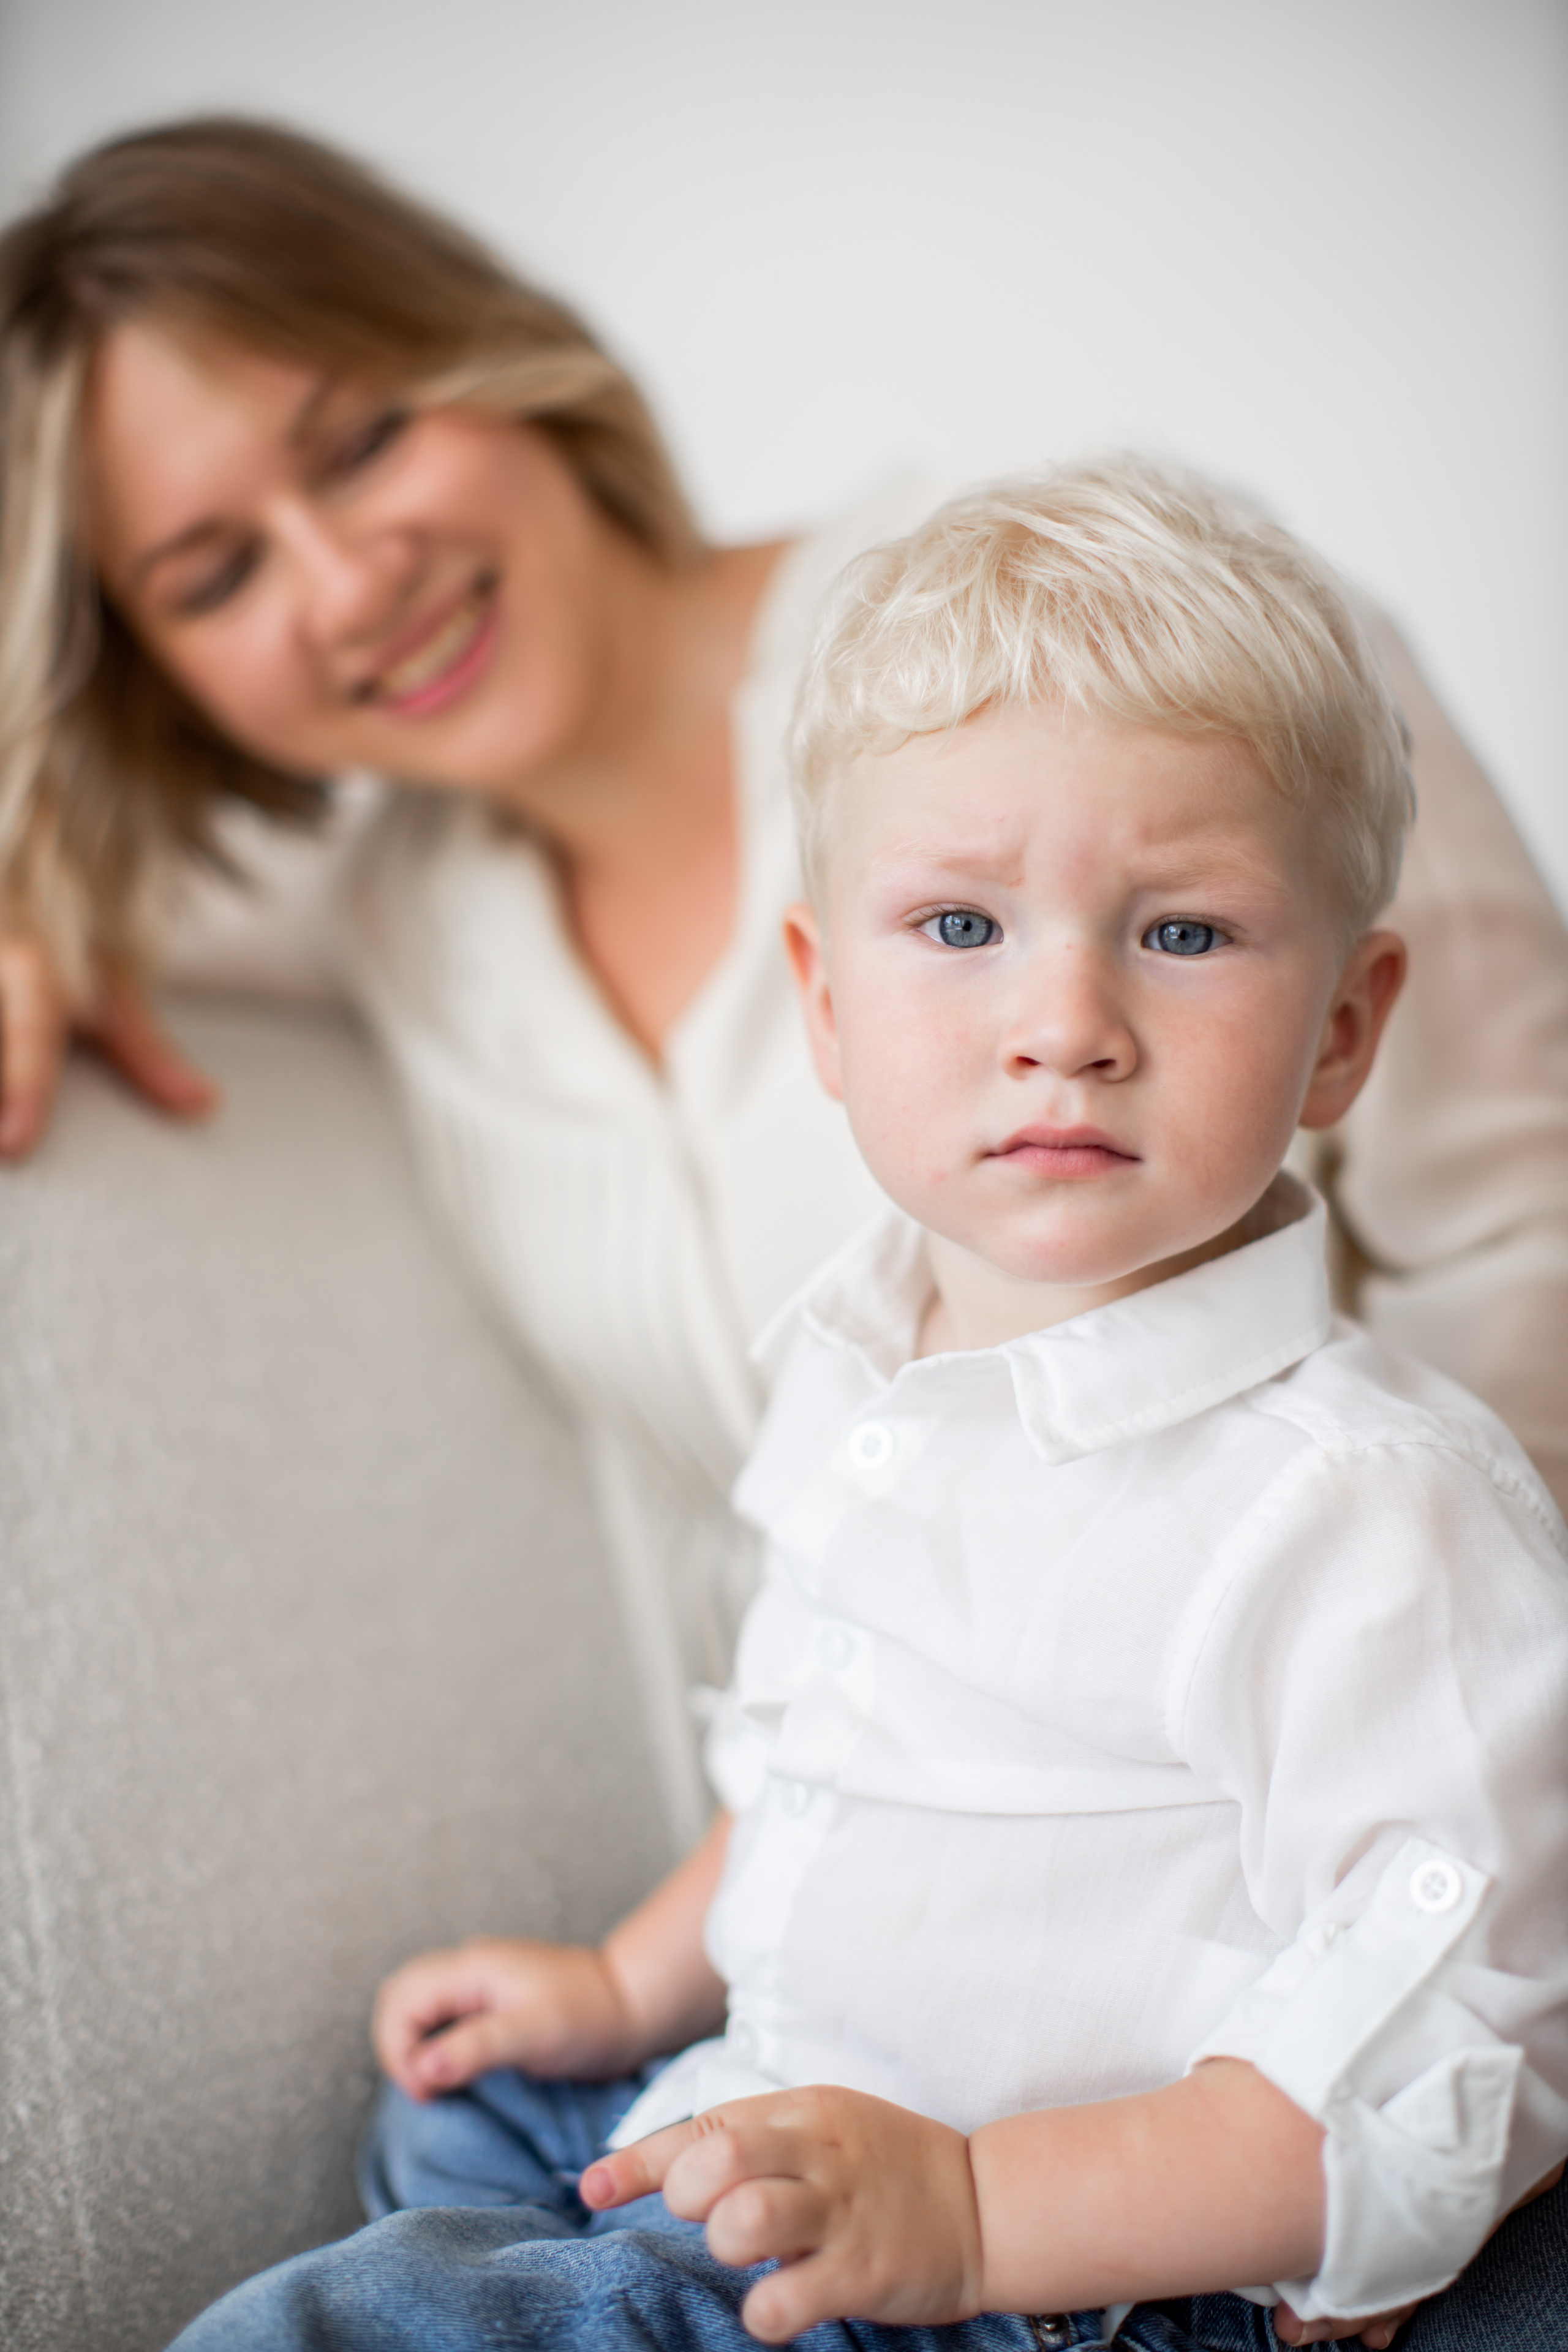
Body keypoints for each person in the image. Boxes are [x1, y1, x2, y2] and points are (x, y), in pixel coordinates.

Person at [163, 462, 1568, 2352]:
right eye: (963, 929)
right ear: (824, 1005)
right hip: (795, 2089)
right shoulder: (864, 1367)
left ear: (1343, 1028)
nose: (1061, 1019)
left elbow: (1471, 2043)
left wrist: (982, 2217)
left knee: (340, 2326)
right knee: (459, 2110)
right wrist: (618, 1976)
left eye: (1182, 933)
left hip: (1059, 2264)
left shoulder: (1364, 1510)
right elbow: (831, 1769)